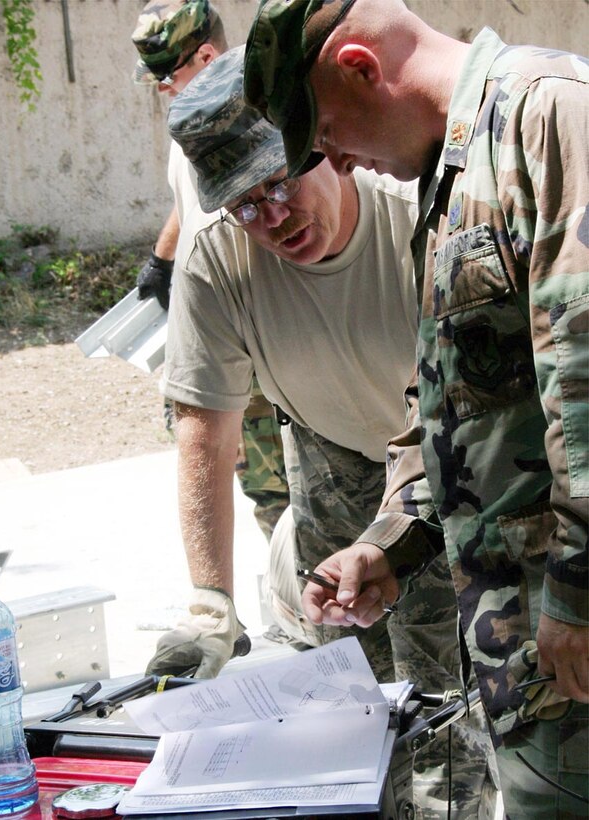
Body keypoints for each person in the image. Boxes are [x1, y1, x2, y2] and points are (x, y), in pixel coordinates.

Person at [243, 0, 589, 815]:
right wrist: (388, 547)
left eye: (326, 135)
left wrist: (578, 596)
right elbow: (457, 400)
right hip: (527, 658)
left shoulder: (549, 115)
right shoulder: (450, 175)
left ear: (361, 67)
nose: (339, 161)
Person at [147, 45, 498, 818]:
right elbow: (204, 431)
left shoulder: (422, 227)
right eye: (243, 202)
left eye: (279, 183)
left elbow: (473, 419)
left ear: (331, 155)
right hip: (328, 456)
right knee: (348, 704)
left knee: (444, 711)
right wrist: (209, 599)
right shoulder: (218, 259)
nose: (270, 219)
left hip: (440, 467)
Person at [131, 0, 289, 540]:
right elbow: (194, 198)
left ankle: (308, 617)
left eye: (166, 75)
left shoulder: (257, 119)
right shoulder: (195, 118)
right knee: (255, 488)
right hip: (220, 339)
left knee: (283, 496)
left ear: (205, 54)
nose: (160, 89)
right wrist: (163, 255)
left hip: (256, 346)